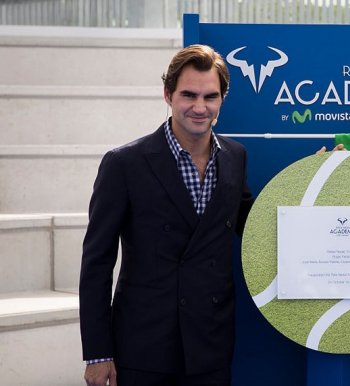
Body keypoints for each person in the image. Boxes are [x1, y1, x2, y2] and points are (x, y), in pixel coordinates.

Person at [79, 44, 253, 386]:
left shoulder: (235, 156)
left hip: (210, 346)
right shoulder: (124, 164)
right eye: (188, 95)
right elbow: (97, 262)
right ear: (167, 95)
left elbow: (256, 227)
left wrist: (317, 175)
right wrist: (98, 354)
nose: (200, 107)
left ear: (222, 98)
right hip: (143, 349)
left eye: (210, 96)